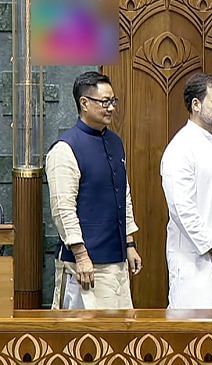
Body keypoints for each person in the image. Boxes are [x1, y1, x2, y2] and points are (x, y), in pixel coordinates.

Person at [46, 71, 142, 309]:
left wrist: (129, 244)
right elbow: (63, 209)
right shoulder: (65, 149)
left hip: (116, 260)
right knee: (86, 341)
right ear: (84, 103)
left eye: (113, 101)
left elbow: (123, 195)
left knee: (119, 338)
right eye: (104, 102)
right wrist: (80, 255)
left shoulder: (115, 142)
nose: (111, 108)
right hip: (85, 265)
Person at [160, 73, 212, 309]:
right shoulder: (181, 148)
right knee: (194, 335)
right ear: (196, 105)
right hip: (193, 258)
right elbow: (181, 208)